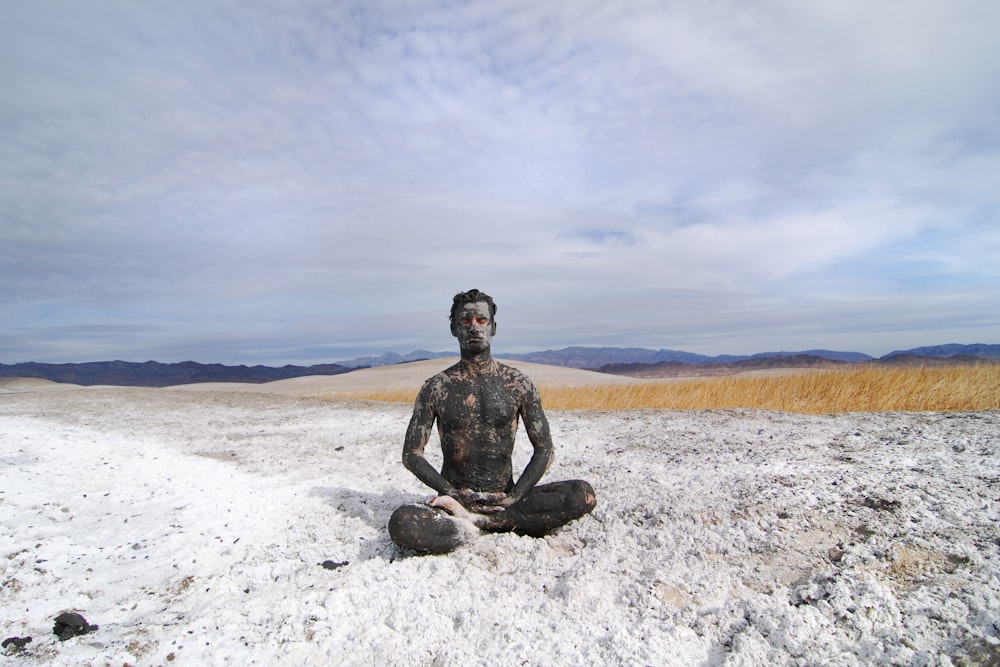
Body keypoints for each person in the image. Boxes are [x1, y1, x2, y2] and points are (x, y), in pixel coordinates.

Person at [388, 289, 596, 554]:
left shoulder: (517, 383)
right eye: (465, 321)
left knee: (581, 493)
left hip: (506, 499)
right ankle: (478, 524)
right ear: (454, 329)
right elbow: (411, 454)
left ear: (493, 327)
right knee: (403, 524)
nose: (474, 326)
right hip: (456, 503)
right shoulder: (437, 387)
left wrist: (516, 496)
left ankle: (485, 524)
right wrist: (451, 492)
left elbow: (544, 448)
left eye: (481, 320)